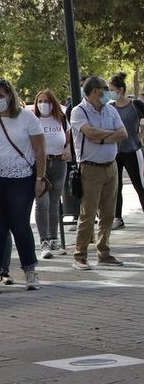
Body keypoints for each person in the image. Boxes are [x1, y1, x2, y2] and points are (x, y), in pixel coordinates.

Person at [0, 80, 46, 292]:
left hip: (21, 178)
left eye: (0, 96)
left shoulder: (26, 117)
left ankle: (30, 270)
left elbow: (40, 150)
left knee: (20, 224)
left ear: (10, 96)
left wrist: (40, 178)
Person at [69, 76, 128, 270]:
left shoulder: (110, 109)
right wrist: (108, 135)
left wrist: (101, 138)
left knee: (108, 213)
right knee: (88, 213)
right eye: (105, 88)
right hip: (90, 168)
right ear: (95, 91)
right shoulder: (79, 111)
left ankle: (104, 252)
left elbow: (123, 133)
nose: (109, 91)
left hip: (111, 166)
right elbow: (89, 133)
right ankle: (80, 255)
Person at [31, 89, 70, 258]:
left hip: (59, 162)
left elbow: (69, 137)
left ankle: (54, 239)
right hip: (41, 164)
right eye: (40, 101)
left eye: (46, 101)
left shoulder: (61, 118)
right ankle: (44, 241)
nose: (43, 104)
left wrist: (68, 148)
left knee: (55, 202)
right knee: (42, 202)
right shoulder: (34, 120)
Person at [108, 73, 144, 229]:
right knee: (116, 186)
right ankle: (117, 217)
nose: (109, 93)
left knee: (139, 183)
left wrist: (141, 133)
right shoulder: (110, 108)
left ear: (120, 89)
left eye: (112, 89)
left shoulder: (135, 105)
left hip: (132, 149)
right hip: (115, 152)